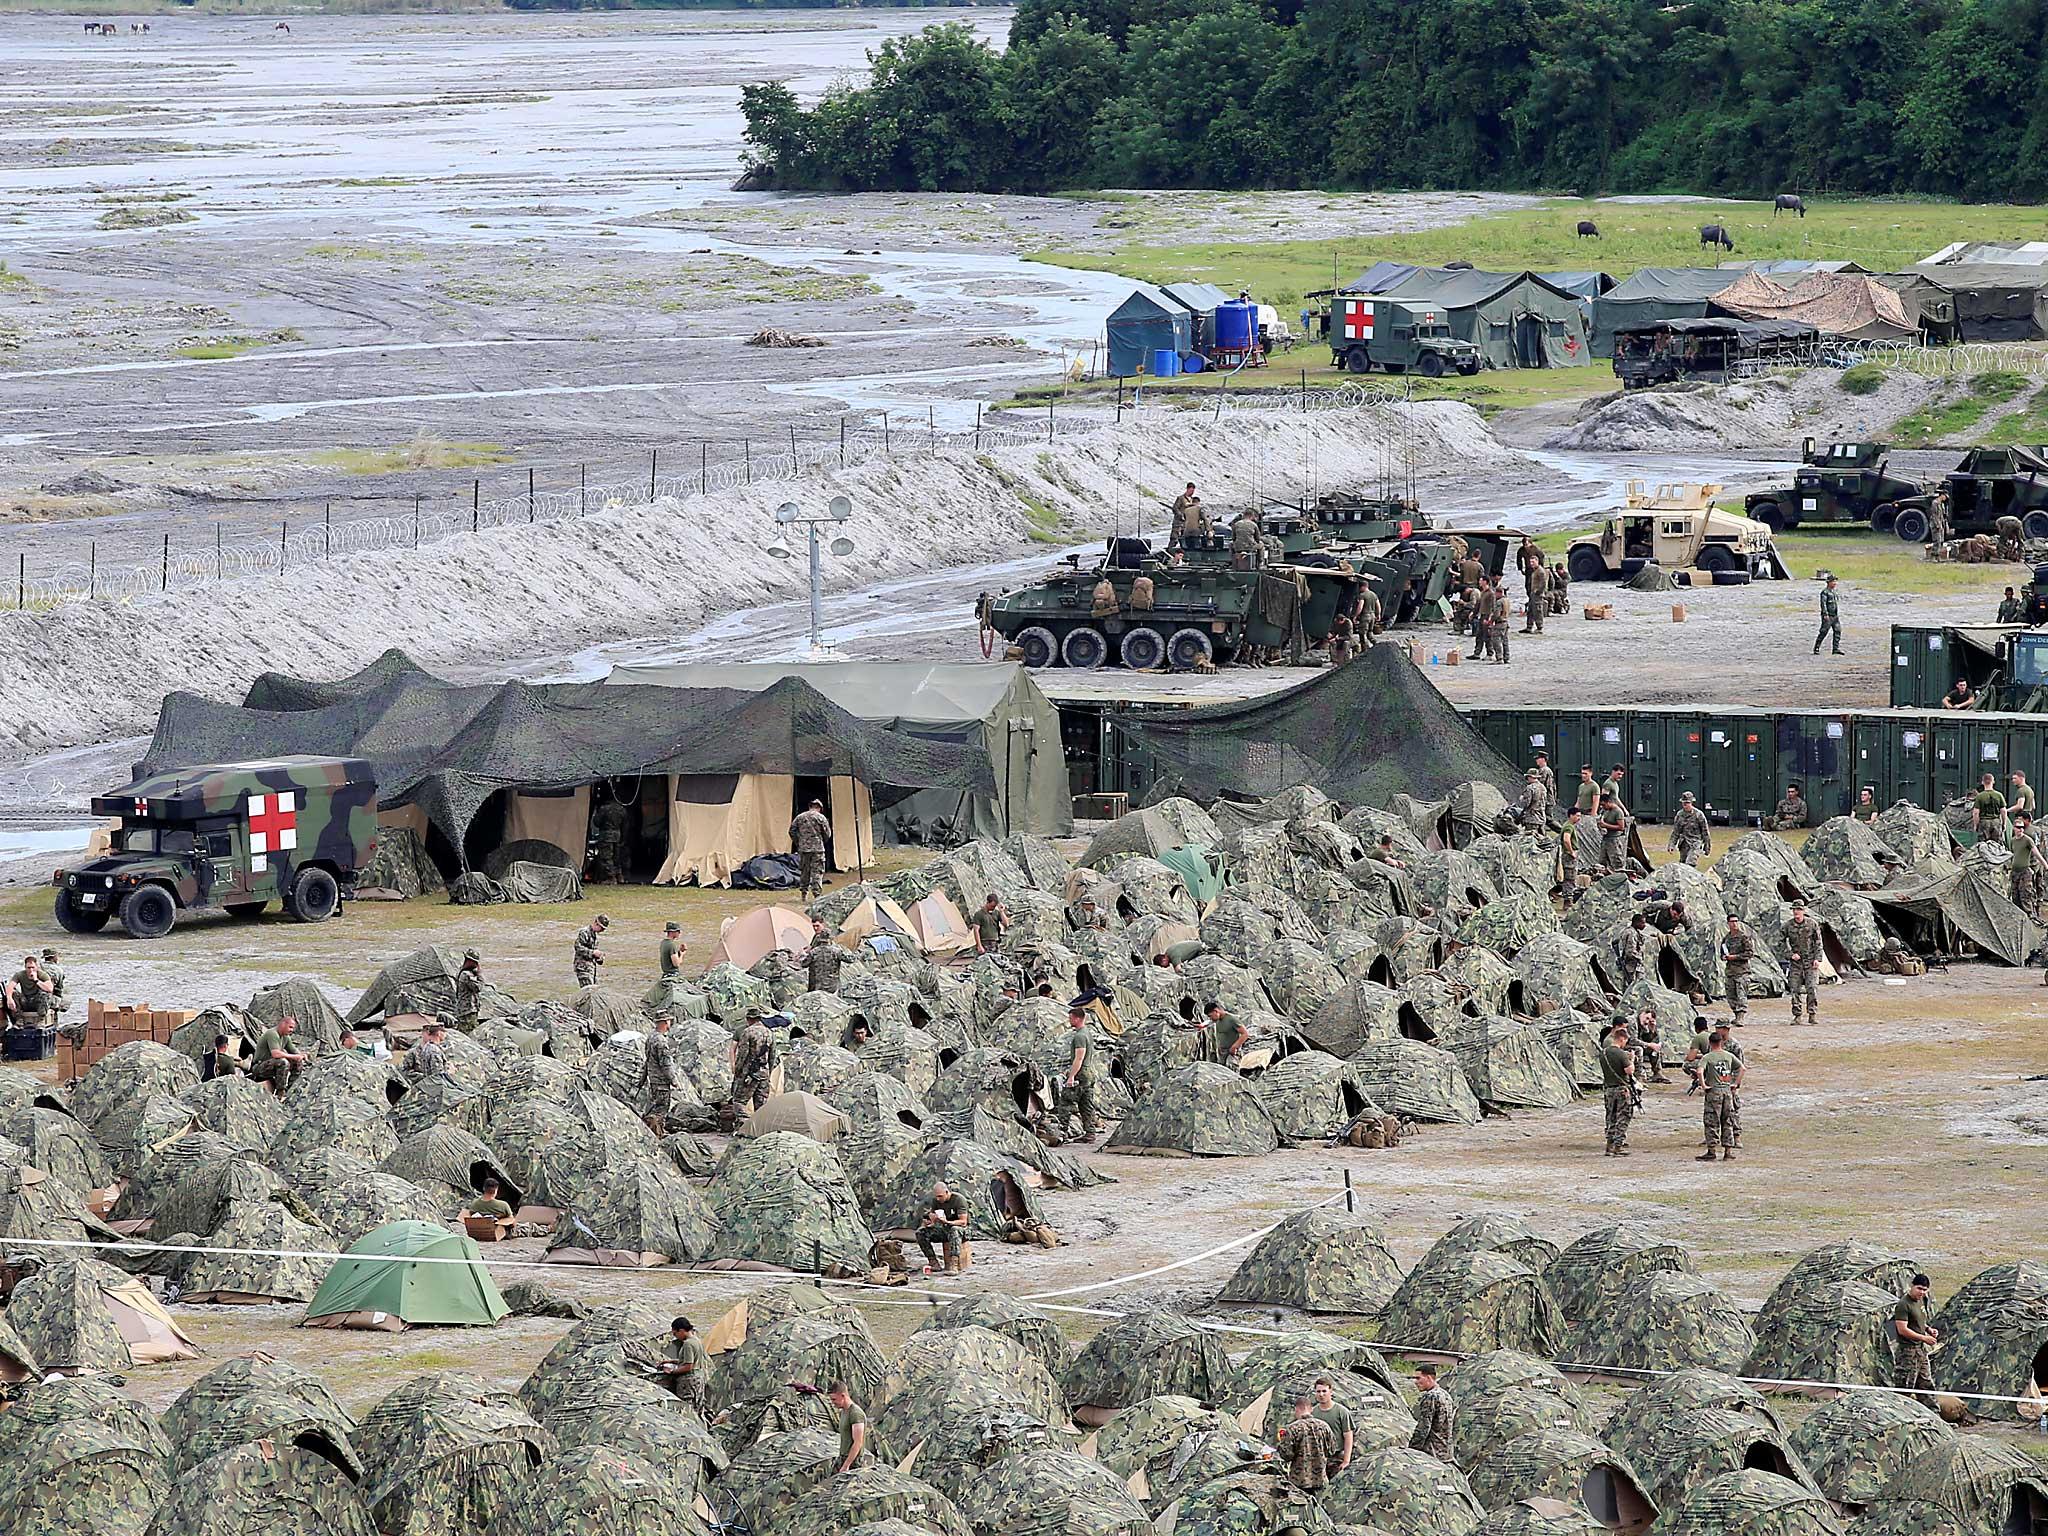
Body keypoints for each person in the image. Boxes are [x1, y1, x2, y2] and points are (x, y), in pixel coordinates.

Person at [1892, 1275, 1940, 1406]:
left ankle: (1934, 1414)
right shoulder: (1903, 1304)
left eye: (1925, 1289)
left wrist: (1928, 1329)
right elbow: (1902, 1329)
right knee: (1905, 1387)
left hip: (1920, 1351)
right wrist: (1924, 1338)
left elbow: (1918, 1321)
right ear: (1911, 1286)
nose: (1922, 1292)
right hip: (1907, 1352)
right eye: (1919, 1288)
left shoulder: (1921, 1301)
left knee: (1926, 1384)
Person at [1056, 1007, 1103, 1143]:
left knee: (1065, 1101)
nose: (1069, 1020)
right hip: (1089, 1073)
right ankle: (1090, 1132)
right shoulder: (1087, 1032)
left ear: (1077, 1018)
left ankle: (1062, 1132)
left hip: (1081, 1073)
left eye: (1070, 1018)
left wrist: (1071, 1077)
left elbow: (1079, 1058)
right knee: (1085, 1104)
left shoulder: (1080, 1036)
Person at [1697, 1027, 1742, 1161]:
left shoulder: (1708, 1057)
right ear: (1721, 1042)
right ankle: (1728, 1151)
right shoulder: (1728, 1056)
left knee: (1711, 1121)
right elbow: (1742, 1068)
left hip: (1714, 1092)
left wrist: (1704, 1085)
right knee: (1727, 1120)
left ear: (1710, 1043)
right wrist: (1736, 1084)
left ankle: (1712, 1150)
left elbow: (1699, 1071)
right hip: (1727, 1091)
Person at [1278, 1396, 1336, 1492]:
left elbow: (1286, 1455)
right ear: (1311, 1409)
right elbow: (1331, 1450)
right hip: (1321, 1480)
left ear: (1297, 1409)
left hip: (1299, 1482)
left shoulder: (1292, 1428)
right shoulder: (1324, 1426)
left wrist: (1281, 1444)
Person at [915, 1180, 972, 1275]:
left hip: (963, 1230)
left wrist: (947, 1222)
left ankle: (954, 1265)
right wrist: (930, 1222)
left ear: (947, 1192)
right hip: (946, 1229)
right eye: (936, 1196)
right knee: (921, 1233)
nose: (938, 1199)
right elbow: (934, 1218)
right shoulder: (936, 1201)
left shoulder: (958, 1199)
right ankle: (933, 1262)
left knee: (954, 1229)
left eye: (940, 1196)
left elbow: (963, 1222)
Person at [1782, 899, 1822, 1026]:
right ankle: (1797, 1015)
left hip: (1810, 961)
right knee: (1794, 989)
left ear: (1803, 911)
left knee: (1812, 988)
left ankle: (1812, 1014)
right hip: (1796, 963)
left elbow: (1818, 942)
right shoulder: (1788, 926)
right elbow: (1779, 943)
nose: (1796, 912)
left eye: (1798, 909)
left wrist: (1817, 958)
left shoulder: (1812, 924)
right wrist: (1790, 954)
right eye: (1794, 910)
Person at [1601, 1020, 1636, 1157]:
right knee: (1623, 1117)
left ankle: (1609, 1145)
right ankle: (1618, 1145)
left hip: (1608, 1089)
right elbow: (1629, 1070)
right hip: (1621, 1089)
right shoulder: (1621, 1054)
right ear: (1621, 1039)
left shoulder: (1603, 1053)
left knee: (1611, 1117)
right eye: (1625, 1041)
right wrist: (1631, 1059)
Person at [250, 1015, 308, 1097]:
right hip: (259, 1067)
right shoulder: (272, 1034)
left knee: (297, 1062)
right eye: (290, 1027)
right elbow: (275, 1054)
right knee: (283, 1062)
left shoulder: (286, 1037)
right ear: (283, 1024)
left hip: (272, 1066)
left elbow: (294, 1051)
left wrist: (301, 1055)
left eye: (292, 1028)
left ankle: (291, 1089)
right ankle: (281, 1092)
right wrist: (293, 1057)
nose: (291, 1030)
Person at [732, 1007, 777, 1111]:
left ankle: (743, 1124)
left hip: (748, 1073)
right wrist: (769, 1072)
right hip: (763, 1073)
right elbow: (772, 1056)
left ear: (749, 1019)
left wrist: (737, 1071)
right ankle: (760, 1126)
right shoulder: (769, 1033)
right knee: (761, 1106)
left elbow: (742, 1055)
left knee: (739, 1102)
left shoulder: (747, 1032)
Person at [661, 1316, 710, 1409]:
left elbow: (688, 1366)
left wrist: (671, 1372)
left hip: (689, 1382)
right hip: (699, 1378)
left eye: (675, 1334)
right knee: (697, 1407)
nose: (676, 1337)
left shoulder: (688, 1344)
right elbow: (691, 1360)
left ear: (682, 1330)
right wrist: (671, 1361)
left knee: (687, 1407)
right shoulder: (696, 1341)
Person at [789, 798, 832, 900]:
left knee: (805, 871)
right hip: (817, 849)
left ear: (810, 806)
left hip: (804, 849)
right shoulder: (821, 818)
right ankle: (816, 895)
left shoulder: (800, 817)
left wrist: (799, 842)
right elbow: (827, 834)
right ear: (819, 808)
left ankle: (804, 894)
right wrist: (821, 840)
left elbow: (792, 831)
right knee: (817, 872)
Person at [1309, 1377, 1354, 1474]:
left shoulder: (1342, 1412)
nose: (1321, 1394)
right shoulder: (1313, 1413)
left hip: (1337, 1457)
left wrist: (1346, 1461)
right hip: (1318, 1457)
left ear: (1331, 1392)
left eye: (1324, 1391)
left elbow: (1348, 1437)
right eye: (1318, 1391)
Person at [640, 1015, 677, 1133]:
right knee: (661, 1109)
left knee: (655, 1106)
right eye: (669, 1021)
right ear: (666, 1022)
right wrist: (673, 1080)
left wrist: (643, 1078)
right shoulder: (661, 1041)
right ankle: (657, 1133)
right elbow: (665, 1064)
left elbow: (648, 1060)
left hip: (653, 1080)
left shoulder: (650, 1037)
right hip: (661, 1081)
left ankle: (654, 1131)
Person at [1408, 1366, 1454, 1460]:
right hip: (1446, 1451)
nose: (1415, 1382)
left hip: (1431, 1452)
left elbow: (1424, 1428)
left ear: (1429, 1378)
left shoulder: (1430, 1397)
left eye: (1418, 1378)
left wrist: (1411, 1450)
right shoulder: (1446, 1395)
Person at [828, 1382, 868, 1474]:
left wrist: (846, 1465)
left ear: (843, 1396)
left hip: (853, 1463)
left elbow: (858, 1443)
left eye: (834, 1399)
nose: (833, 1403)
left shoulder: (855, 1414)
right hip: (843, 1458)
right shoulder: (843, 1411)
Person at [5, 955, 52, 1033]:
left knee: (45, 994)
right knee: (13, 993)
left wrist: (36, 980)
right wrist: (9, 998)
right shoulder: (20, 975)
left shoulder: (42, 975)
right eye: (28, 968)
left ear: (36, 967)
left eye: (33, 967)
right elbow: (10, 986)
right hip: (25, 1001)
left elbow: (49, 989)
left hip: (37, 1002)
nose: (31, 970)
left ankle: (41, 1020)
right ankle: (19, 1020)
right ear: (25, 967)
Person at [589, 793, 629, 883]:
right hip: (617, 834)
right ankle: (619, 875)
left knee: (606, 857)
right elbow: (625, 825)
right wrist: (623, 837)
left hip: (606, 835)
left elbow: (597, 822)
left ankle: (610, 877)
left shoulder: (604, 809)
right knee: (616, 857)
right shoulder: (621, 809)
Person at [1720, 916, 1754, 1024]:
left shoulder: (1743, 937)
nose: (1734, 924)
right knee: (1731, 995)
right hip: (1730, 971)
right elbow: (1722, 952)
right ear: (1728, 923)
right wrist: (1724, 957)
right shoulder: (1726, 938)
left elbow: (1749, 953)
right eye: (1732, 922)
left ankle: (1741, 1016)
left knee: (1741, 994)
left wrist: (1735, 957)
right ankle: (1736, 1014)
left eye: (1736, 921)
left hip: (1742, 971)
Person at [2012, 812, 2043, 917]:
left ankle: (2032, 914)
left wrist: (2044, 864)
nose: (2020, 829)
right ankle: (2036, 908)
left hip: (2030, 865)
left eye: (2022, 826)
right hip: (2023, 867)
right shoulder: (2014, 840)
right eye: (2018, 827)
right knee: (2019, 894)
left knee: (2027, 893)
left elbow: (2036, 851)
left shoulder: (2028, 836)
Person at [1668, 791, 1711, 866]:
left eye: (1687, 803)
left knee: (1690, 863)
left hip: (1695, 844)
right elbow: (1676, 832)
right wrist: (1671, 845)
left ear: (1691, 803)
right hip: (1684, 844)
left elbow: (1705, 832)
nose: (1685, 805)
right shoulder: (1679, 815)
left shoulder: (1699, 815)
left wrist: (1707, 847)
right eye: (1684, 803)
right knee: (1683, 865)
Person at [805, 919, 846, 994]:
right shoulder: (835, 950)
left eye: (817, 926)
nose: (815, 928)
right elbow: (849, 959)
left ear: (823, 924)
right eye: (814, 926)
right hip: (827, 983)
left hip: (820, 982)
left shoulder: (817, 949)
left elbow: (804, 963)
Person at [1200, 999, 1247, 1064]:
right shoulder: (1217, 1019)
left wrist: (1234, 1047)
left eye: (1210, 1016)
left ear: (1215, 1011)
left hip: (1232, 1054)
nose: (1210, 1018)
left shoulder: (1231, 1019)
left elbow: (1245, 1034)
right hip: (1222, 1053)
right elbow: (1209, 1022)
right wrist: (1202, 1025)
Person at [1635, 1004, 1670, 1084]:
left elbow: (1650, 1040)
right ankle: (1639, 1076)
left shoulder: (1645, 1025)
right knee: (1639, 1049)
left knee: (1655, 1048)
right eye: (1646, 1018)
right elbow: (1632, 1040)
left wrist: (1652, 1030)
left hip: (1640, 1045)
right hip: (1627, 1046)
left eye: (1649, 1020)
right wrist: (1649, 1045)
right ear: (1642, 1014)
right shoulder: (1633, 1022)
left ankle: (1657, 1073)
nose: (1647, 1021)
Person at [1972, 771, 2009, 845]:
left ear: (1983, 782)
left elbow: (1976, 813)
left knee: (1983, 845)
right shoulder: (1999, 795)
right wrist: (2004, 824)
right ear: (1993, 781)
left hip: (1984, 822)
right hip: (1996, 822)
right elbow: (2004, 811)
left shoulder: (1980, 796)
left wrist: (1976, 825)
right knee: (1997, 845)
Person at [1597, 792, 1629, 874]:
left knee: (1616, 862)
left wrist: (1606, 825)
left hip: (1614, 840)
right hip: (1605, 839)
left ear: (1609, 802)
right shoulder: (1605, 811)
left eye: (1604, 804)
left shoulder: (1618, 812)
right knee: (1602, 861)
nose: (1602, 807)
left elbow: (1621, 827)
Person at [573, 915, 609, 988]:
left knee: (594, 991)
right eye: (601, 928)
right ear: (596, 923)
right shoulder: (584, 932)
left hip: (591, 969)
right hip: (582, 968)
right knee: (588, 992)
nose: (602, 930)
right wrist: (592, 953)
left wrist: (599, 958)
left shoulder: (595, 936)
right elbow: (578, 947)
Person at [1813, 575, 1843, 656]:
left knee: (1837, 631)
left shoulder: (1834, 592)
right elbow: (1823, 604)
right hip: (1828, 616)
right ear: (1828, 582)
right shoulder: (1825, 592)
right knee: (1823, 632)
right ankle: (1817, 647)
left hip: (1834, 616)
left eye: (1835, 581)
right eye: (1833, 581)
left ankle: (1835, 648)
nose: (1834, 583)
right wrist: (1825, 614)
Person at [1616, 914, 1646, 992]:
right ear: (1637, 923)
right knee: (1632, 989)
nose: (1644, 925)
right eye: (1642, 923)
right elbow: (1630, 952)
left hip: (1633, 966)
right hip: (1631, 967)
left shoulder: (1635, 932)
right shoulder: (1631, 933)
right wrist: (1640, 959)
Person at [1557, 809, 1582, 897]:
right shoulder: (1569, 827)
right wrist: (1571, 852)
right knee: (1570, 878)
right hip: (1569, 856)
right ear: (1571, 815)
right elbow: (1566, 840)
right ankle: (1568, 899)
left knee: (1569, 877)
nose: (1579, 818)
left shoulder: (1568, 825)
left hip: (1567, 854)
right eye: (1577, 816)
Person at [1523, 557, 1548, 634]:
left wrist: (1538, 592)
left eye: (1533, 562)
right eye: (1530, 562)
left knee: (1537, 610)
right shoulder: (1534, 571)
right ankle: (1529, 626)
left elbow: (1543, 583)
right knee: (1530, 610)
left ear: (1537, 561)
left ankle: (1539, 627)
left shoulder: (1540, 571)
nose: (1531, 564)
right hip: (1533, 593)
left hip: (1537, 594)